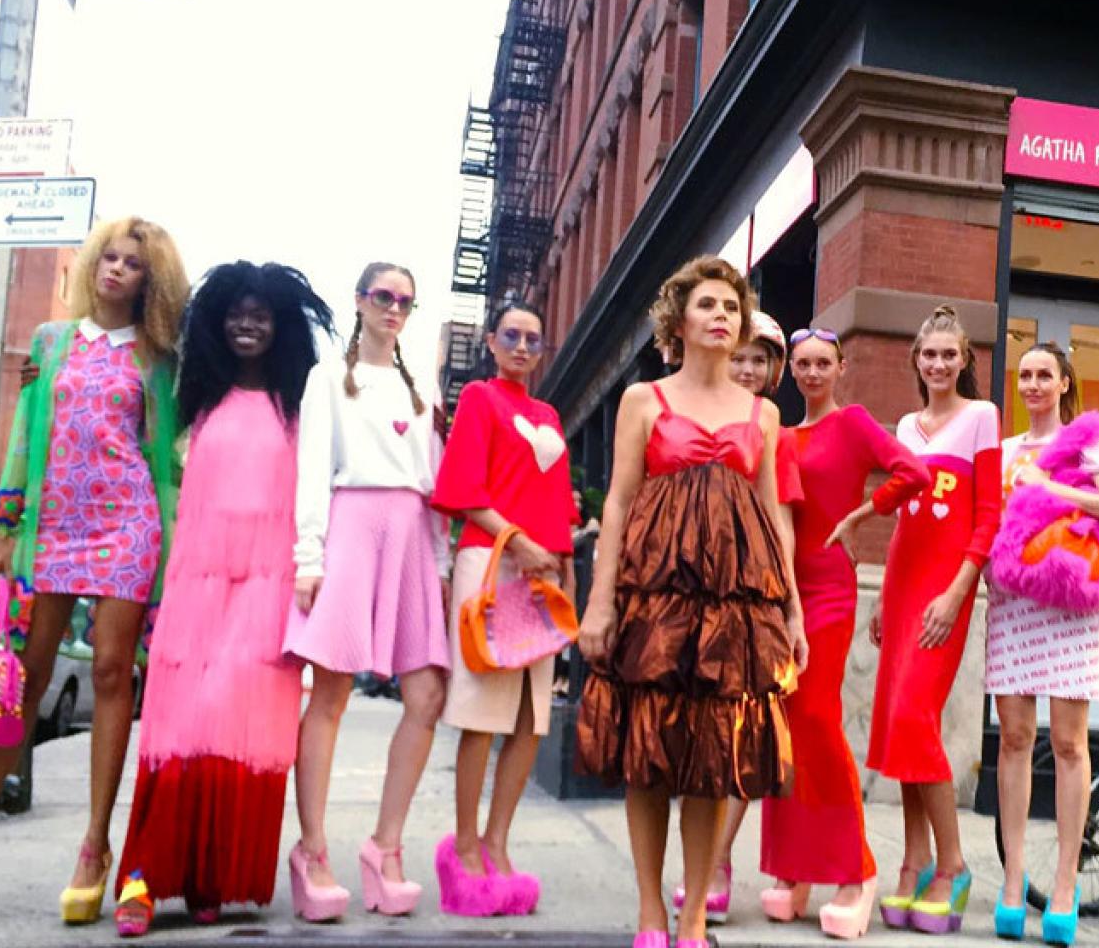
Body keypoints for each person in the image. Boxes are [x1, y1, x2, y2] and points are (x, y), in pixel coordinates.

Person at [0, 218, 189, 927]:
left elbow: (170, 460)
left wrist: (180, 541)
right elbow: (20, 440)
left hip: (128, 527)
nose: (117, 271)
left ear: (149, 281)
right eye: (111, 258)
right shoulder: (49, 344)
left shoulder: (161, 360)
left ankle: (93, 848)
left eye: (133, 264)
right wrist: (1, 528)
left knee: (108, 673)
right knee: (23, 683)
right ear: (94, 263)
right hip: (51, 528)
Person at [575, 255, 808, 948]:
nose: (721, 317)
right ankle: (651, 913)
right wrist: (600, 603)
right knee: (647, 752)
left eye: (731, 308)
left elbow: (771, 516)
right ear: (679, 320)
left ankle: (694, 915)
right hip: (654, 598)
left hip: (732, 608)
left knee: (715, 761)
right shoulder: (644, 401)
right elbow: (617, 503)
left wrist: (790, 612)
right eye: (708, 305)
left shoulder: (764, 415)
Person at [109, 262, 333, 936]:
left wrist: (310, 568)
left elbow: (318, 487)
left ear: (283, 325)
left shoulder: (302, 402)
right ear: (214, 321)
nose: (247, 323)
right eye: (235, 312)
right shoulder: (191, 393)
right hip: (196, 581)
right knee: (181, 723)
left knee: (246, 728)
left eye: (261, 313)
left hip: (270, 583)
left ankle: (212, 876)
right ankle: (144, 878)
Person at [281, 262, 450, 922]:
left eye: (406, 300)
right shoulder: (328, 378)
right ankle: (314, 851)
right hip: (350, 526)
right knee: (331, 691)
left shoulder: (420, 388)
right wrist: (308, 557)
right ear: (360, 300)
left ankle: (387, 848)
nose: (395, 308)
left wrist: (438, 561)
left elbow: (433, 484)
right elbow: (312, 469)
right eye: (384, 296)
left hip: (410, 533)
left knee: (427, 693)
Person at [765, 326, 931, 939]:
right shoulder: (782, 435)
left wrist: (867, 510)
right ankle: (794, 869)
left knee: (817, 720)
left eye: (821, 364)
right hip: (783, 590)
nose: (811, 373)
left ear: (841, 367)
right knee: (786, 729)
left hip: (832, 589)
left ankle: (856, 871)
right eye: (802, 364)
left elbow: (911, 471)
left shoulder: (855, 421)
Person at [431, 304, 579, 917]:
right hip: (492, 567)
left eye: (533, 339)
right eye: (511, 336)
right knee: (482, 713)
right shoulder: (478, 399)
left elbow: (560, 511)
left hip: (543, 579)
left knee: (529, 718)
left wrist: (565, 574)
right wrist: (519, 542)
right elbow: (461, 491)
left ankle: (497, 842)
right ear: (491, 342)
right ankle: (464, 847)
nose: (522, 346)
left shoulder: (548, 414)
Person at [985, 342, 1099, 946]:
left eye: (1044, 374)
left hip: (1071, 606)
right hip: (1014, 604)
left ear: (1064, 381)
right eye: (1024, 375)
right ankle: (1014, 876)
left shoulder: (1083, 444)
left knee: (1070, 744)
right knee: (1015, 739)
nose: (1033, 384)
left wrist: (1054, 490)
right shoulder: (1001, 453)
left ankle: (1066, 882)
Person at [869, 305, 1001, 936]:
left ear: (965, 361)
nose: (939, 364)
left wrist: (958, 593)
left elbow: (988, 516)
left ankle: (952, 865)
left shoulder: (982, 417)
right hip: (899, 584)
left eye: (950, 354)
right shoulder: (904, 424)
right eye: (930, 355)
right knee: (897, 725)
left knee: (916, 718)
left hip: (945, 586)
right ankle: (914, 857)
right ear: (916, 361)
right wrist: (877, 597)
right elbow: (900, 515)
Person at [675, 310, 804, 925]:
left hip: (749, 592)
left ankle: (719, 862)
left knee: (738, 729)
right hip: (684, 588)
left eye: (761, 360)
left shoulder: (775, 430)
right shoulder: (684, 408)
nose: (749, 369)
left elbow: (782, 522)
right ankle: (700, 864)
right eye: (742, 358)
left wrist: (789, 604)